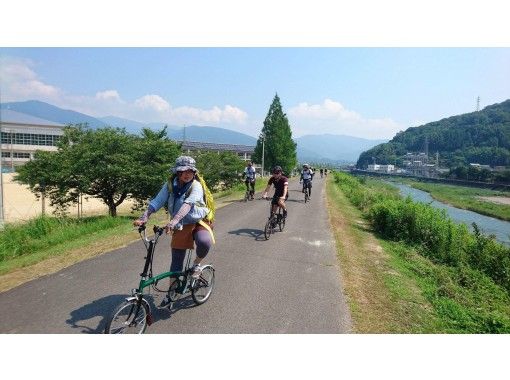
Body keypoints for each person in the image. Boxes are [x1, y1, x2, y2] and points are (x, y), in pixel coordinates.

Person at [133, 155, 214, 308]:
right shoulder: (170, 184)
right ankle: (173, 292)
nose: (187, 173)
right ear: (177, 172)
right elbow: (157, 201)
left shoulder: (196, 185)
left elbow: (188, 204)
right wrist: (144, 217)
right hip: (181, 223)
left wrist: (174, 221)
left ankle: (196, 265)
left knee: (204, 241)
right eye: (184, 170)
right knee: (177, 260)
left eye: (191, 170)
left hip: (199, 220)